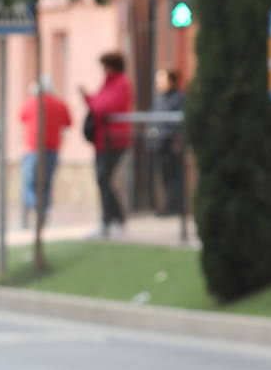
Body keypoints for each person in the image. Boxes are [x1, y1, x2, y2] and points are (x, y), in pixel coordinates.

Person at [80, 51, 133, 236]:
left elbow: (105, 106)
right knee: (103, 179)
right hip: (103, 139)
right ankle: (111, 219)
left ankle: (112, 219)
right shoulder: (108, 83)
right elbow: (98, 102)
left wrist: (92, 103)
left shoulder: (120, 83)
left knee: (104, 178)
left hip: (114, 139)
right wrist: (88, 98)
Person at [17, 80, 71, 222]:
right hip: (52, 149)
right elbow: (67, 123)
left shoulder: (30, 103)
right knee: (46, 183)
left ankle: (34, 207)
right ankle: (43, 212)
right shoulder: (60, 104)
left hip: (33, 148)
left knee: (29, 182)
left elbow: (21, 118)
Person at [146, 69, 186, 217]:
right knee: (164, 176)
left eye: (162, 79)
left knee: (174, 175)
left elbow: (177, 123)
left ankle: (176, 206)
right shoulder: (159, 99)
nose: (158, 83)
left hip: (171, 144)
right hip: (158, 145)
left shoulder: (179, 98)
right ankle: (168, 205)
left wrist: (172, 138)